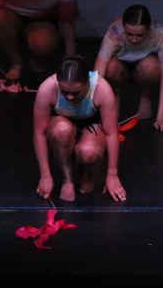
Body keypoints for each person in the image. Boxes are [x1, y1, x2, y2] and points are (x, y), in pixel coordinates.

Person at [33, 55, 126, 202]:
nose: (70, 97)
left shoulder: (102, 89)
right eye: (65, 92)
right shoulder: (47, 89)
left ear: (87, 82)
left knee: (88, 152)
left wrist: (112, 174)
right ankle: (68, 179)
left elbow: (111, 134)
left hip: (92, 126)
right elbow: (39, 133)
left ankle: (85, 171)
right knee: (61, 130)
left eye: (76, 92)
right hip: (62, 125)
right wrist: (45, 176)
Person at [94, 4, 163, 131]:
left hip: (143, 67)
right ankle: (115, 97)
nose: (134, 40)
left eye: (140, 35)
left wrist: (161, 118)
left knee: (151, 66)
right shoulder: (115, 33)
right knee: (111, 67)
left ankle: (146, 96)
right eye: (129, 34)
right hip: (120, 67)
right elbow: (98, 73)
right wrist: (91, 110)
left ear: (148, 30)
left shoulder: (159, 35)